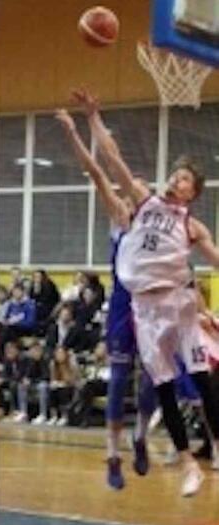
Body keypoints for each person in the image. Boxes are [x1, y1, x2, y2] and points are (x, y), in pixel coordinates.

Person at [81, 87, 219, 497]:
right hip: (145, 309)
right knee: (163, 389)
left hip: (179, 305)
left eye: (186, 179)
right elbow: (112, 159)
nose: (177, 180)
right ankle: (189, 465)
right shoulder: (143, 201)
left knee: (202, 380)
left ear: (194, 193)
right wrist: (92, 117)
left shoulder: (192, 226)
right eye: (176, 174)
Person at [57, 105, 158, 490]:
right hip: (121, 306)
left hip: (151, 308)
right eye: (132, 191)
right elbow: (98, 170)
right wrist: (75, 130)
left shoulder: (158, 227)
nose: (134, 195)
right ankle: (113, 455)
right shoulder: (119, 216)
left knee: (152, 380)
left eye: (140, 191)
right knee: (117, 381)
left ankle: (141, 435)